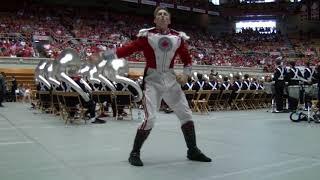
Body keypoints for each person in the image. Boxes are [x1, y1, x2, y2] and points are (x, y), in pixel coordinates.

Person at [99, 7, 211, 166]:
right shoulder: (147, 36)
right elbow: (126, 50)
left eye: (165, 14)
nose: (163, 16)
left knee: (186, 115)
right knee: (150, 118)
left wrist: (186, 74)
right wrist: (103, 56)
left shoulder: (178, 38)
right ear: (155, 20)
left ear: (169, 20)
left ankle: (192, 150)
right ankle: (135, 152)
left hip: (171, 79)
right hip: (152, 80)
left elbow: (187, 60)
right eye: (159, 14)